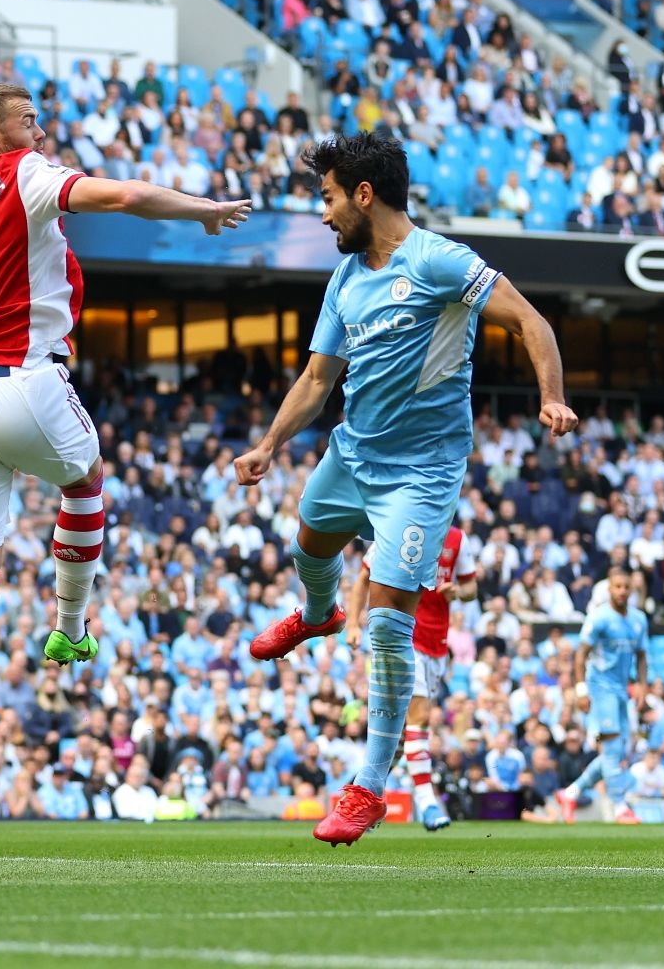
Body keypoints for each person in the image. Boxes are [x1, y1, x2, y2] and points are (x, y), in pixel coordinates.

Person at [0, 81, 251, 823]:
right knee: (86, 480)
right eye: (27, 121)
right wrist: (202, 208)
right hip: (24, 379)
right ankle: (70, 629)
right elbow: (128, 195)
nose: (39, 132)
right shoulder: (27, 174)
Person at [236, 133, 576, 846]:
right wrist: (269, 445)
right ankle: (320, 613)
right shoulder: (346, 277)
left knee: (390, 625)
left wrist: (552, 397)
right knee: (309, 542)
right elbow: (318, 379)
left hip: (422, 472)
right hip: (353, 452)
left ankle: (368, 788)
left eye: (329, 197)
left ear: (364, 195)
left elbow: (531, 320)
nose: (323, 213)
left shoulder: (438, 260)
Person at [346, 523, 477, 831]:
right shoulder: (403, 528)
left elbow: (471, 587)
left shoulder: (458, 540)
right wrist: (352, 623)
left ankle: (360, 792)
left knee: (403, 736)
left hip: (437, 645)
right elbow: (364, 577)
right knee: (421, 718)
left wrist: (458, 591)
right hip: (404, 637)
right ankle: (428, 802)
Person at [557, 569, 648, 824]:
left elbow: (642, 656)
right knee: (612, 748)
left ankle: (570, 792)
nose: (622, 591)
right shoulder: (599, 617)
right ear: (609, 590)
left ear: (631, 590)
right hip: (600, 688)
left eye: (626, 587)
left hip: (621, 690)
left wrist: (642, 686)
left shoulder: (639, 619)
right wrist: (580, 690)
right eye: (617, 586)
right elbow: (580, 654)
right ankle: (619, 806)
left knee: (617, 751)